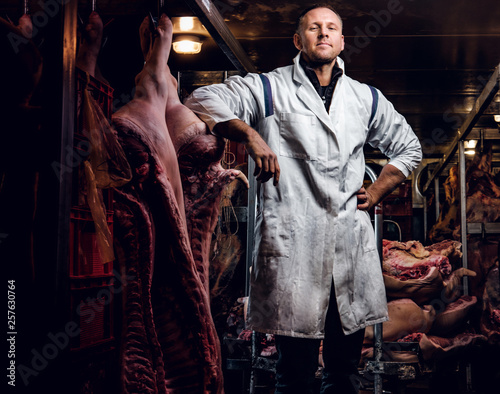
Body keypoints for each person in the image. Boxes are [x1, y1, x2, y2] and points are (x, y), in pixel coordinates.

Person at [185, 4, 422, 393]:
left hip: (349, 250)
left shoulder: (366, 99)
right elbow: (202, 98)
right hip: (295, 251)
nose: (323, 34)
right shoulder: (269, 87)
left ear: (342, 41)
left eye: (331, 28)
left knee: (344, 371)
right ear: (299, 40)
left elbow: (408, 148)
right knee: (294, 374)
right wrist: (249, 134)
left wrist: (378, 189)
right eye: (314, 28)